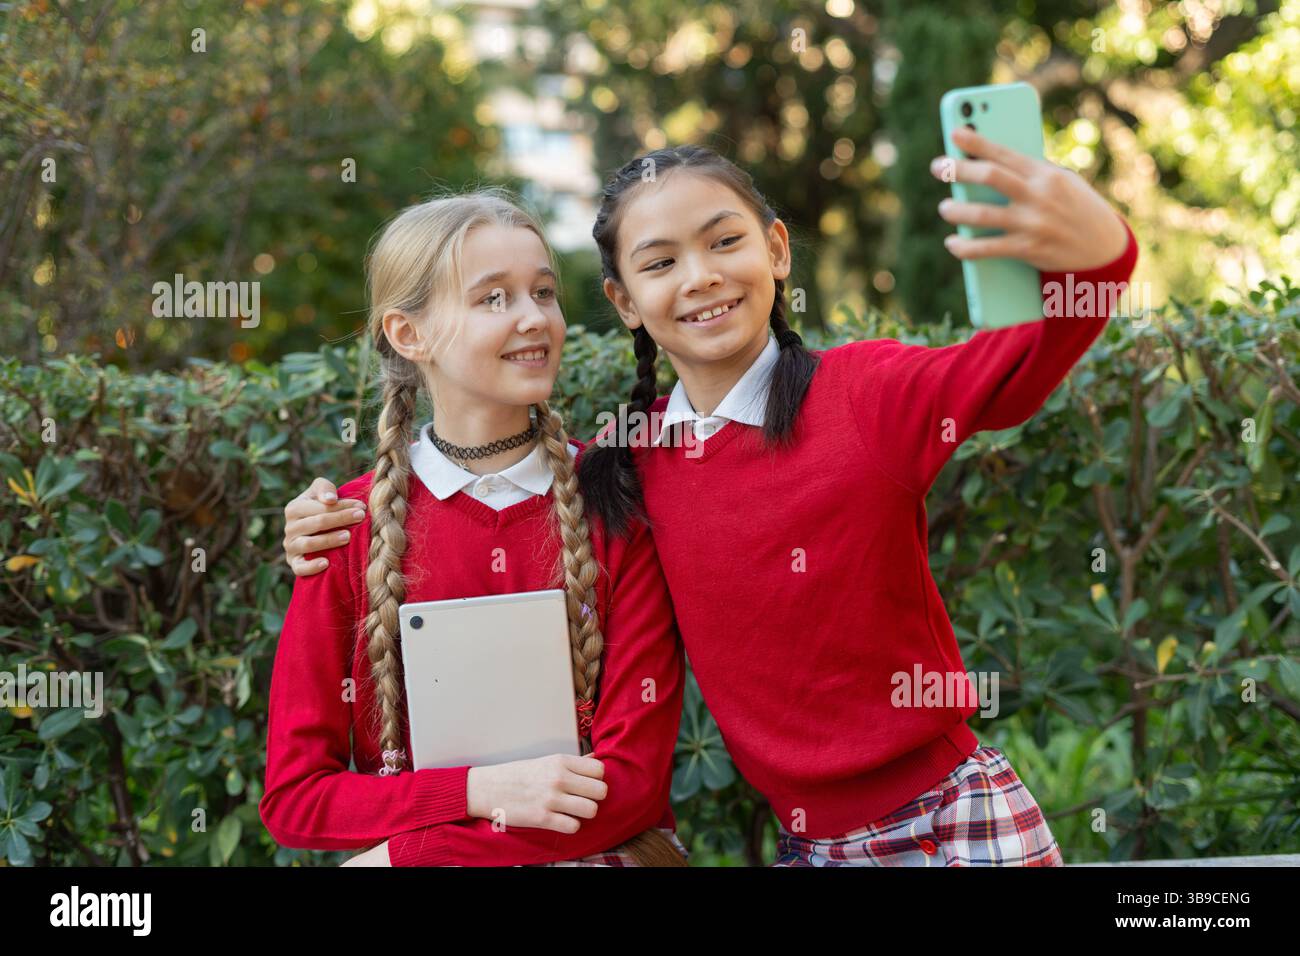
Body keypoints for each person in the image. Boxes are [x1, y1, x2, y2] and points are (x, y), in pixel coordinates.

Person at [280, 129, 1138, 865]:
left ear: (776, 248)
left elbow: (1021, 370)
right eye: (660, 263)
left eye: (724, 242)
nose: (700, 278)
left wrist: (1102, 248)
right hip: (808, 845)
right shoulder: (625, 466)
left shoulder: (862, 394)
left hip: (953, 825)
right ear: (621, 300)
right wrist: (323, 522)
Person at [259, 190, 687, 866]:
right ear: (409, 334)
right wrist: (479, 790)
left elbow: (630, 786)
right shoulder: (345, 528)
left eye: (543, 293)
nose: (534, 319)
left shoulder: (614, 504)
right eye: (494, 299)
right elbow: (297, 797)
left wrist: (403, 857)